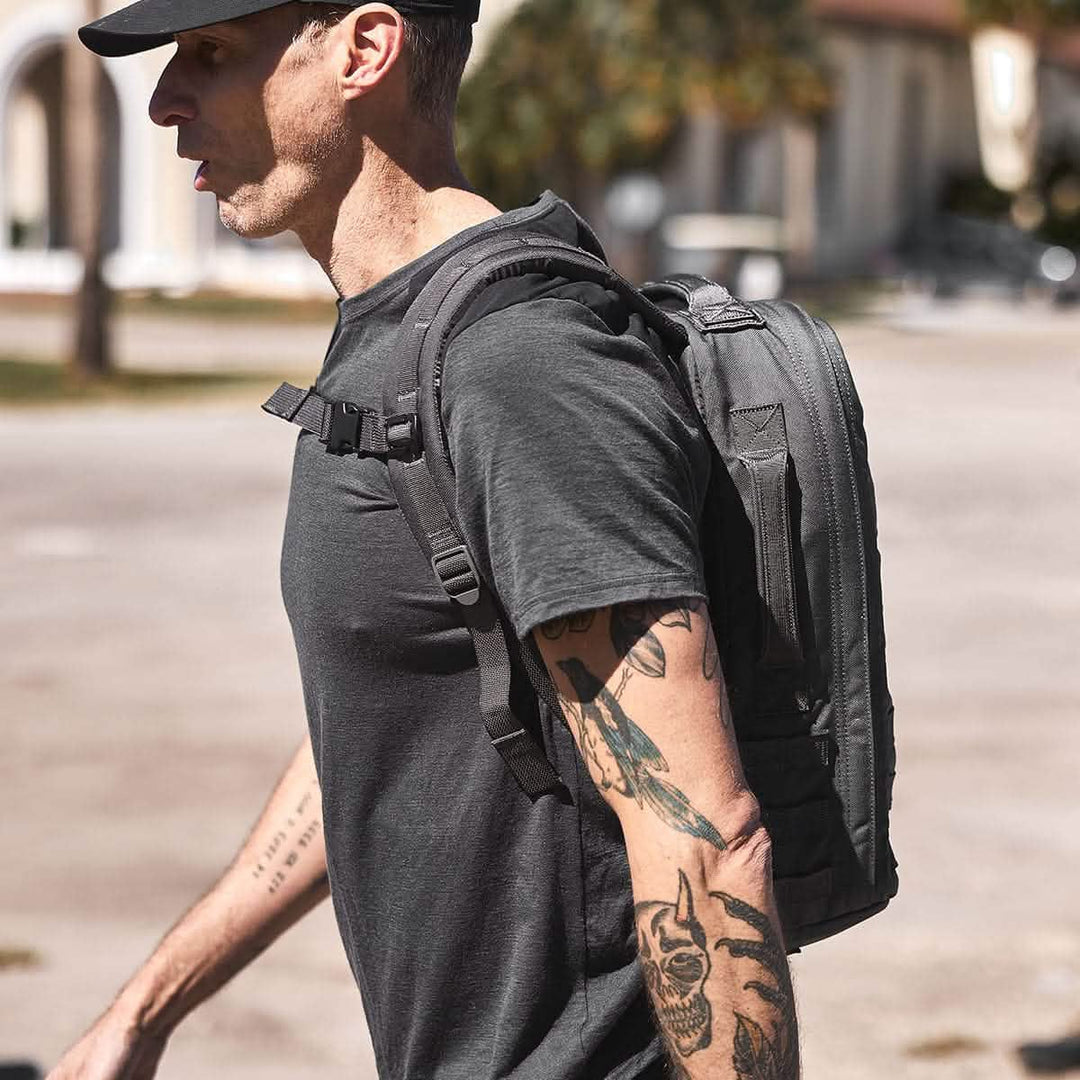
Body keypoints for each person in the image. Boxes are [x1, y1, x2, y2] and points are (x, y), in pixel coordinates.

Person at [53, 3, 799, 1078]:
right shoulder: (402, 335)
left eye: (210, 54)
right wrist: (146, 1009)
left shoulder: (521, 365)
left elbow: (702, 835)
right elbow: (391, 712)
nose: (169, 103)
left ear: (365, 49)